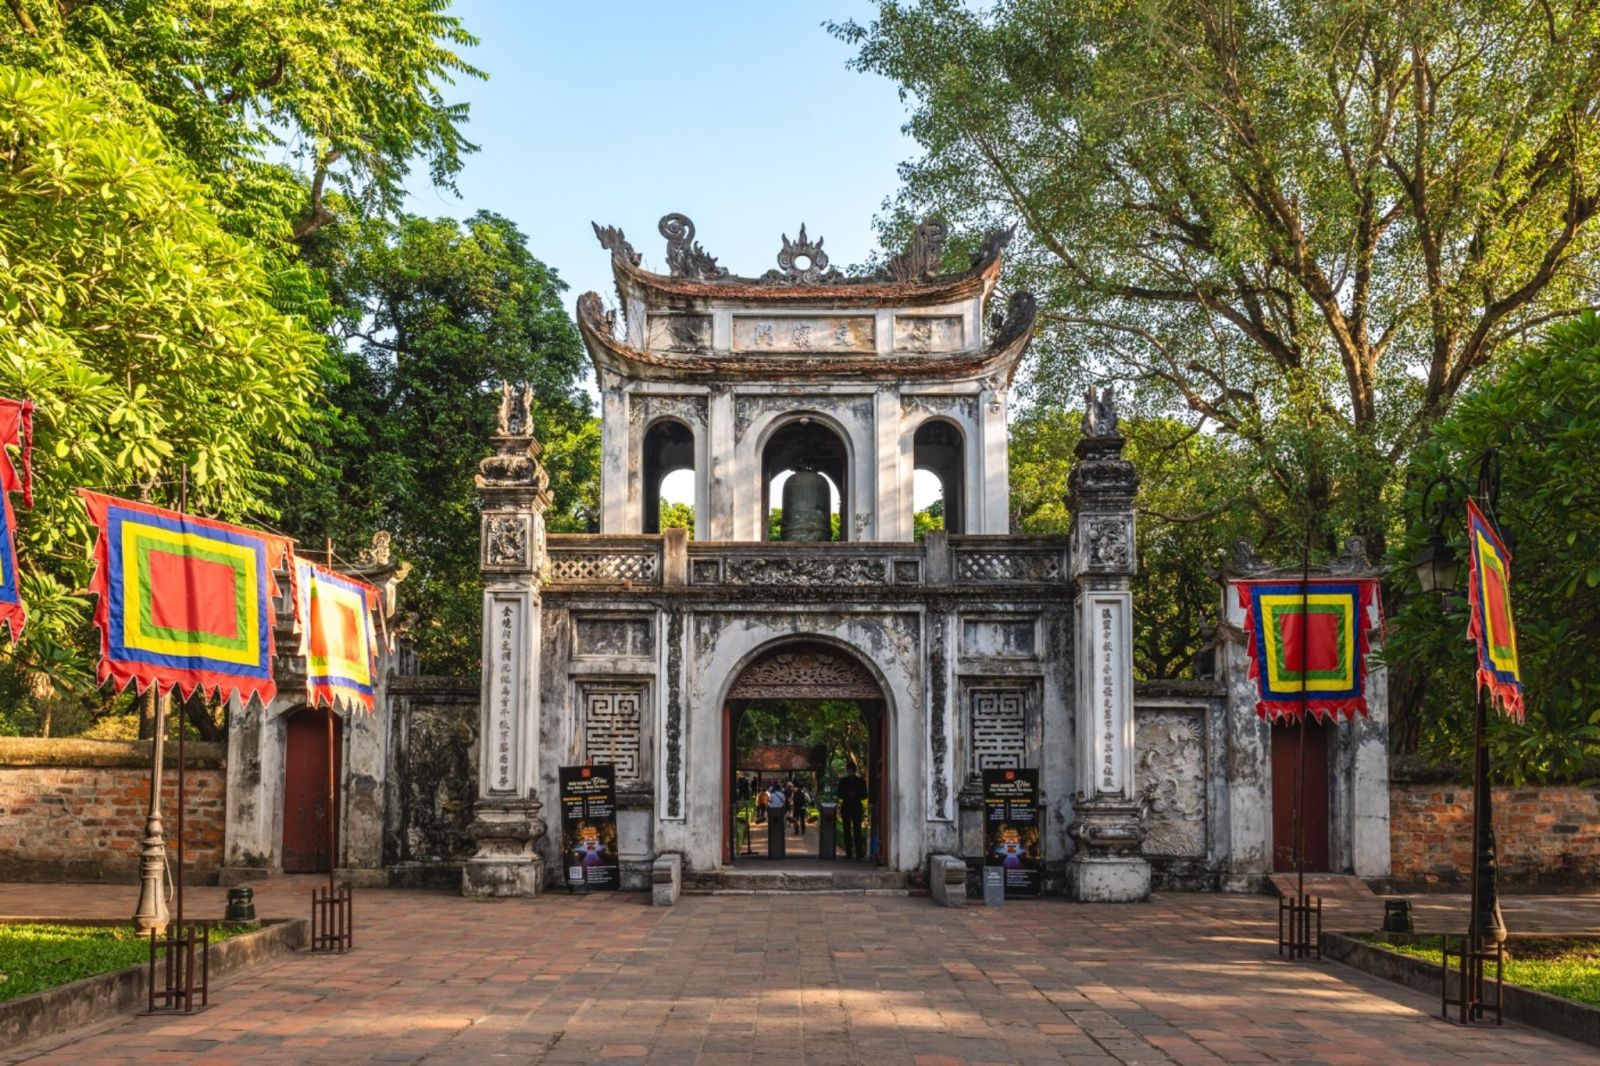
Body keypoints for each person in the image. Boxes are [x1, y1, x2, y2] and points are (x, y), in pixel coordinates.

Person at [837, 762, 867, 861]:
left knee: (857, 831)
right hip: (846, 807)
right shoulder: (843, 781)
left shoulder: (860, 781)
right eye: (848, 770)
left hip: (856, 807)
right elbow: (839, 794)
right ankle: (849, 852)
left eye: (851, 770)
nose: (849, 771)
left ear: (854, 770)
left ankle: (859, 853)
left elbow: (864, 794)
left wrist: (855, 794)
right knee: (846, 831)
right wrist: (847, 794)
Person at [766, 778, 787, 860]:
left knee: (772, 829)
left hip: (772, 813)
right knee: (780, 829)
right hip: (780, 813)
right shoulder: (782, 795)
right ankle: (780, 851)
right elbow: (784, 803)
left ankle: (773, 851)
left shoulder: (772, 795)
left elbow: (769, 802)